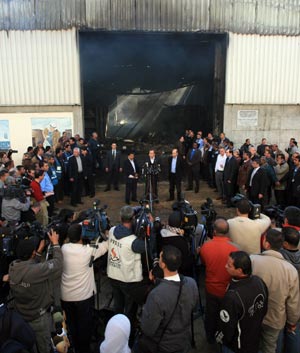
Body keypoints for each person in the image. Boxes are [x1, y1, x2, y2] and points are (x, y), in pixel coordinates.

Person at [137, 245, 198, 353]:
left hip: (164, 346)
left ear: (163, 264)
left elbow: (148, 329)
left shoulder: (156, 295)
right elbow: (193, 307)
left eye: (160, 258)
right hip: (184, 341)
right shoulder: (191, 283)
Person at [9, 231, 63, 353]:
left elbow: (30, 268)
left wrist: (37, 252)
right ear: (32, 253)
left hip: (23, 315)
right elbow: (58, 263)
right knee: (44, 348)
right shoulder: (35, 272)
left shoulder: (13, 267)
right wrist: (55, 243)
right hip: (39, 318)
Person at [251, 229, 300, 353]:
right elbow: (293, 301)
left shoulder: (252, 260)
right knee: (270, 347)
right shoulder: (290, 270)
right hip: (275, 319)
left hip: (253, 314)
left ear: (266, 244)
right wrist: (292, 322)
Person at [61, 223, 108, 353]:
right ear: (81, 236)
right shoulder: (89, 250)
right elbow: (106, 246)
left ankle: (74, 347)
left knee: (72, 325)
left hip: (66, 296)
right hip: (83, 297)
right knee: (85, 327)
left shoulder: (63, 248)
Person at [216, 251, 268, 353]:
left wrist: (220, 338)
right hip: (254, 339)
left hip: (237, 346)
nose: (225, 266)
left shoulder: (232, 296)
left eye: (229, 265)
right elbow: (264, 308)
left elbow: (227, 326)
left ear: (239, 270)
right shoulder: (259, 281)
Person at [198, 218, 239, 344]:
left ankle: (210, 338)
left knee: (211, 316)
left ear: (214, 231)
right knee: (227, 317)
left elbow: (204, 263)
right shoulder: (235, 249)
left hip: (211, 289)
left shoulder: (206, 247)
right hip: (228, 291)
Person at [106, 206, 147, 328]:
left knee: (118, 306)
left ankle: (116, 329)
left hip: (113, 275)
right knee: (129, 311)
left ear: (120, 218)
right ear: (133, 218)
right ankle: (128, 335)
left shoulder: (113, 230)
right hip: (128, 280)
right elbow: (146, 247)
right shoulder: (133, 241)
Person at [278, 227, 300, 353]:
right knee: (294, 332)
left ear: (285, 243)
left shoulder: (281, 258)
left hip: (283, 303)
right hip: (297, 304)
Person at [160, 211, 194, 276]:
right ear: (180, 224)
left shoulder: (161, 233)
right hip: (178, 273)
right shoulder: (181, 242)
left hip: (165, 270)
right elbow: (185, 264)